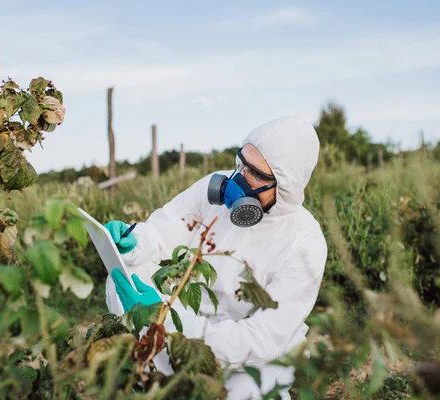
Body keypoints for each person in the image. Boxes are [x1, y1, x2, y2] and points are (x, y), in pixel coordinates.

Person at [104, 117, 327, 400]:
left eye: (256, 174)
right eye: (241, 163)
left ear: (285, 186)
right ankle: (155, 370)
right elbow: (164, 230)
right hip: (189, 322)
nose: (240, 180)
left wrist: (164, 320)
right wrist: (135, 241)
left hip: (253, 356)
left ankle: (165, 367)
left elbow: (260, 340)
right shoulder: (214, 191)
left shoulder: (305, 242)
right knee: (125, 272)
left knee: (246, 393)